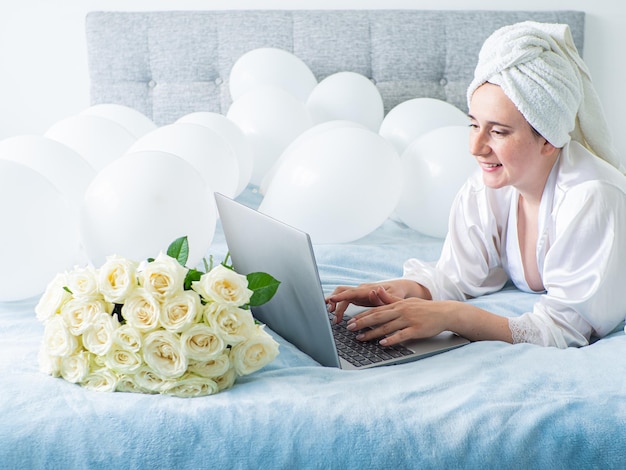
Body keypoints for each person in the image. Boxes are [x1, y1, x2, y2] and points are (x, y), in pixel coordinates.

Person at [326, 21, 626, 348]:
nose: (476, 147)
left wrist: (453, 316)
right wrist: (395, 290)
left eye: (498, 132)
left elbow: (565, 329)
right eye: (473, 125)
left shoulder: (592, 197)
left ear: (549, 140)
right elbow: (457, 275)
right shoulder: (488, 187)